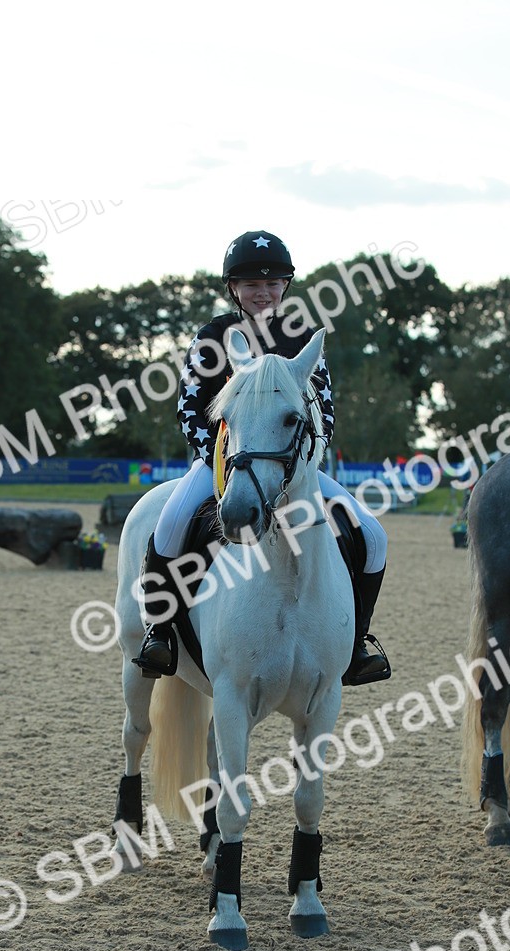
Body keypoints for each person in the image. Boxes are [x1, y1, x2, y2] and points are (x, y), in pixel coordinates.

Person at [132, 229, 390, 686]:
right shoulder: (213, 337)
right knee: (171, 525)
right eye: (252, 284)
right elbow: (190, 406)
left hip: (294, 471)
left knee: (372, 534)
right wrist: (224, 456)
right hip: (223, 465)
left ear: (285, 286)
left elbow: (324, 412)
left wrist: (302, 461)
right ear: (233, 288)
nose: (263, 292)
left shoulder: (303, 338)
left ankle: (355, 645)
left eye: (273, 283)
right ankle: (160, 630)